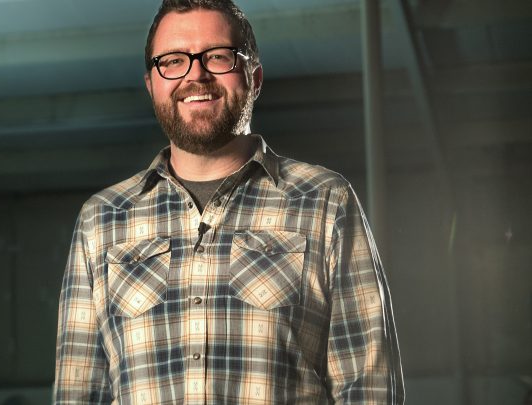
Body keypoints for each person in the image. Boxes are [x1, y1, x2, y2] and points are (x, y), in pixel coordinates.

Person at [53, 0, 404, 403]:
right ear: (151, 85)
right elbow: (78, 394)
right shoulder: (102, 219)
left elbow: (369, 388)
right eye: (173, 61)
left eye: (218, 56)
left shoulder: (324, 200)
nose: (195, 75)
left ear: (255, 78)